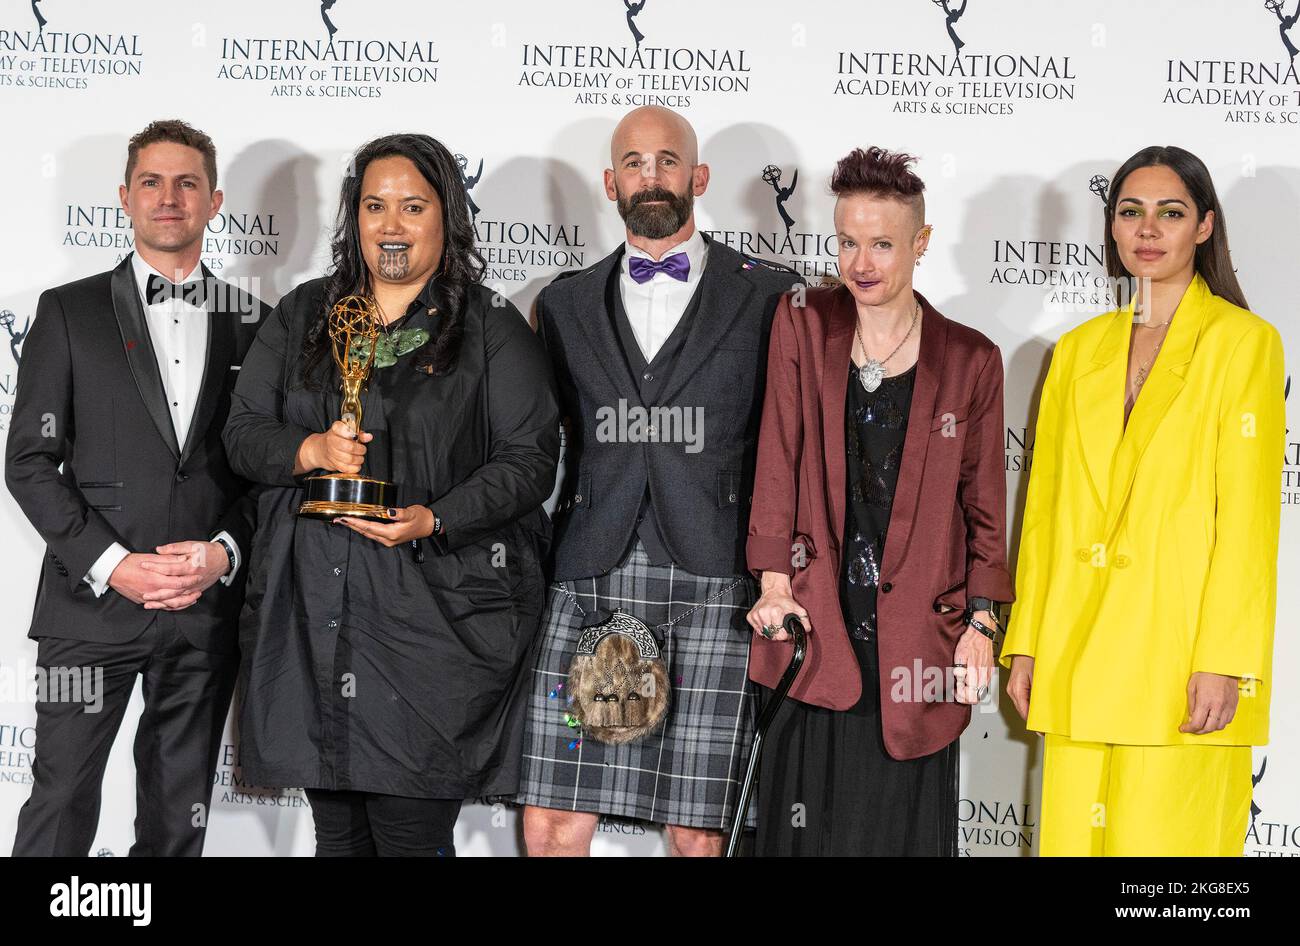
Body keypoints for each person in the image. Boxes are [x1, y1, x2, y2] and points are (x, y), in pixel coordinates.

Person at [222, 133, 559, 857]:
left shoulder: (489, 326)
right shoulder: (307, 314)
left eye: (413, 206)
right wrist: (307, 451)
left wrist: (436, 518)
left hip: (429, 628)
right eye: (375, 206)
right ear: (354, 218)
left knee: (409, 837)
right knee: (338, 838)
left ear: (448, 218)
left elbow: (530, 460)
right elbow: (243, 433)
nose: (392, 225)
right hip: (314, 619)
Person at [516, 106, 802, 856]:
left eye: (669, 161)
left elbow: (792, 446)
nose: (653, 176)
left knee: (698, 829)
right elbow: (535, 447)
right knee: (551, 821)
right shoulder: (563, 301)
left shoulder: (774, 295)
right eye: (635, 163)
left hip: (716, 568)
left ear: (698, 177)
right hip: (588, 565)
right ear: (610, 182)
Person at [1002, 146, 1284, 857]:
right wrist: (1029, 640)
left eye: (1171, 212)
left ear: (1205, 227)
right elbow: (1045, 508)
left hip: (1180, 662)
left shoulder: (1245, 344)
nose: (1148, 228)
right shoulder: (1075, 351)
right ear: (1113, 228)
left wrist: (1225, 659)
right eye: (1131, 211)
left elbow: (1248, 520)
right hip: (1077, 654)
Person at [6, 119, 267, 856]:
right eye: (151, 182)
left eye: (187, 183)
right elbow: (27, 459)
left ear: (214, 201)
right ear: (125, 197)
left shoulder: (260, 326)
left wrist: (223, 554)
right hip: (88, 610)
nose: (169, 198)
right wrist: (113, 563)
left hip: (204, 611)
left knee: (178, 815)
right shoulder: (68, 310)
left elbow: (269, 476)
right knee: (59, 802)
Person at [745, 147, 1013, 856]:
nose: (861, 262)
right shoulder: (801, 322)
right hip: (814, 630)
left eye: (883, 244)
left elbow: (985, 507)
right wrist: (774, 583)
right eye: (847, 241)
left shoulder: (970, 359)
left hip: (919, 650)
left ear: (921, 245)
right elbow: (778, 455)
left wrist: (983, 625)